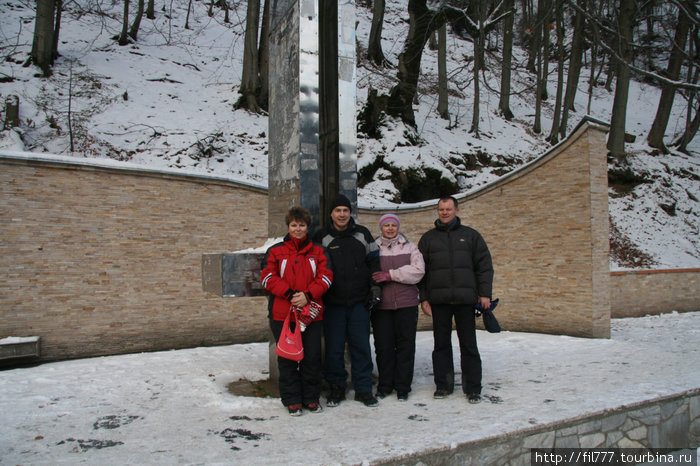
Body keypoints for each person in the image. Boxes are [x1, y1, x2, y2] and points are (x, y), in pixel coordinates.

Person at [418, 196, 494, 404]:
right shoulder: (428, 239)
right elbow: (420, 272)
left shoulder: (471, 236)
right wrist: (423, 298)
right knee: (441, 345)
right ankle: (443, 385)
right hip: (438, 301)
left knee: (469, 345)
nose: (445, 212)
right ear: (437, 211)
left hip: (465, 300)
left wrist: (484, 293)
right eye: (441, 209)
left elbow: (484, 266)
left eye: (448, 209)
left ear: (456, 211)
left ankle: (473, 388)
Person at [261, 206, 333, 416]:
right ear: (288, 226)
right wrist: (291, 294)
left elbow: (326, 276)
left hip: (311, 314)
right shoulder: (275, 251)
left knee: (311, 358)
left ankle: (310, 398)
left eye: (301, 225)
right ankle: (292, 399)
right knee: (287, 358)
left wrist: (308, 295)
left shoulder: (319, 251)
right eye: (294, 225)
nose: (298, 229)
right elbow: (267, 277)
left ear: (307, 227)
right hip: (283, 315)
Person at [313, 193, 381, 407]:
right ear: (331, 214)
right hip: (332, 304)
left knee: (360, 346)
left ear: (349, 212)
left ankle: (363, 388)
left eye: (345, 210)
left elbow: (374, 263)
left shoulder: (363, 234)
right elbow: (313, 265)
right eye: (337, 211)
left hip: (359, 303)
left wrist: (375, 287)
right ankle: (336, 388)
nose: (342, 214)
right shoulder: (321, 237)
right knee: (334, 349)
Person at [371, 213, 425, 402]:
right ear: (381, 227)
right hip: (382, 305)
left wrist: (391, 274)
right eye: (387, 225)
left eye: (394, 225)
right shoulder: (373, 248)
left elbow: (418, 271)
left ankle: (403, 386)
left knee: (405, 346)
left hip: (406, 304)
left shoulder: (410, 247)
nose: (390, 228)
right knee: (384, 347)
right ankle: (385, 385)